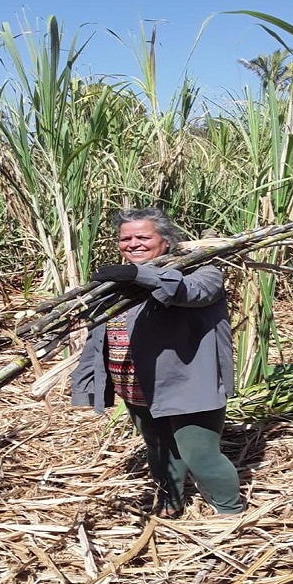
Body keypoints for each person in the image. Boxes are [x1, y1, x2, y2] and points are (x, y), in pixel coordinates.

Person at [70, 207, 244, 517]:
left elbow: (191, 293)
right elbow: (97, 337)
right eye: (126, 238)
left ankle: (230, 513)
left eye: (143, 236)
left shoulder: (201, 272)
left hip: (188, 386)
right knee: (159, 447)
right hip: (136, 387)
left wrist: (139, 275)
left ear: (165, 240)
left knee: (199, 454)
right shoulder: (115, 286)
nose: (133, 243)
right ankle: (169, 503)